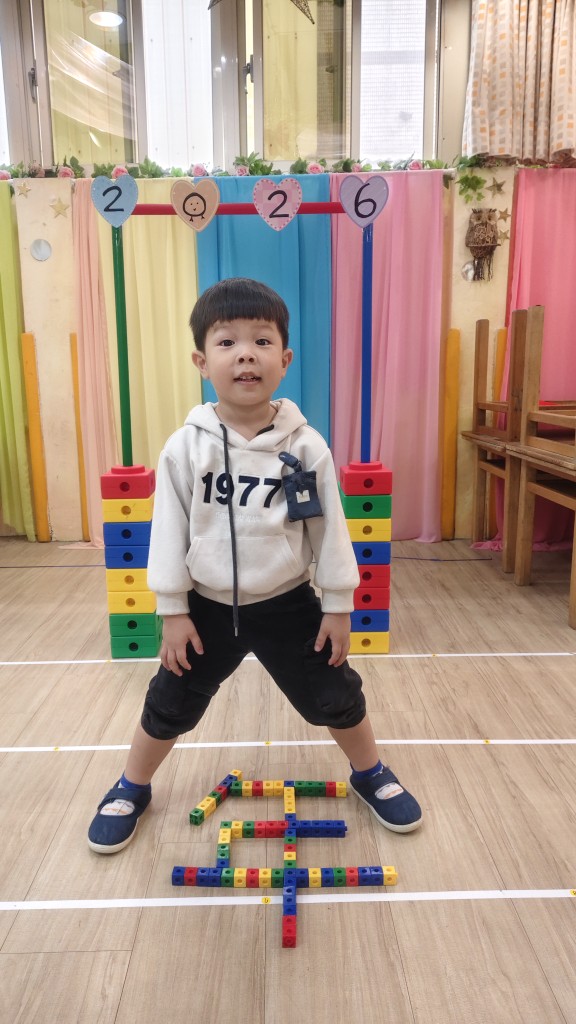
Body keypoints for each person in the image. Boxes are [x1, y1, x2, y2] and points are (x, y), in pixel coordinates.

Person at [88, 277, 422, 853]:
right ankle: (132, 785)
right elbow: (167, 532)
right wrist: (172, 609)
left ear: (284, 360)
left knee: (335, 693)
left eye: (262, 341)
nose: (246, 354)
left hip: (288, 604)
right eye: (227, 342)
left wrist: (338, 604)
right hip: (206, 608)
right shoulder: (184, 448)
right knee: (169, 701)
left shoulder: (306, 447)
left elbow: (329, 530)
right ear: (202, 361)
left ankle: (370, 772)